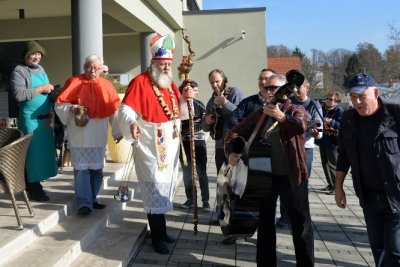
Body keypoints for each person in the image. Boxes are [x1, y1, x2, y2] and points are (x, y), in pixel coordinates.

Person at [225, 73, 314, 266]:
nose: (269, 91)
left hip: (293, 176)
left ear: (285, 91)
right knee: (265, 225)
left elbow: (300, 126)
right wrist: (231, 152)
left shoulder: (296, 109)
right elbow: (233, 133)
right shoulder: (259, 114)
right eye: (266, 88)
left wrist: (282, 118)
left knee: (301, 224)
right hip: (264, 178)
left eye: (273, 88)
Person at [118, 34, 194, 255]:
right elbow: (126, 109)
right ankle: (156, 237)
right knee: (153, 185)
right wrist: (131, 122)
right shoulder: (139, 82)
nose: (165, 67)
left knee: (163, 187)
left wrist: (185, 98)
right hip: (150, 143)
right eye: (161, 63)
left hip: (169, 143)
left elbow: (178, 112)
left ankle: (161, 231)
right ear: (152, 62)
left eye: (168, 64)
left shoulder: (170, 84)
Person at [335, 73, 400, 266]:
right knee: (378, 248)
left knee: (395, 250)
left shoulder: (395, 114)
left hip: (396, 196)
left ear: (376, 93)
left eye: (362, 96)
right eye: (353, 97)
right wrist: (338, 187)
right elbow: (344, 155)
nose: (357, 102)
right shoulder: (348, 118)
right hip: (368, 197)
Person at [55, 54, 121, 216]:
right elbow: (59, 104)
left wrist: (117, 131)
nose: (92, 70)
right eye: (89, 67)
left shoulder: (106, 85)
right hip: (79, 134)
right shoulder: (73, 82)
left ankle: (92, 198)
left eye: (96, 68)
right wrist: (70, 108)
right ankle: (84, 203)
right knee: (81, 170)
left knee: (97, 170)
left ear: (101, 69)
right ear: (84, 67)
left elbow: (114, 111)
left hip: (98, 134)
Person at [10, 40, 57, 201]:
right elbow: (19, 95)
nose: (36, 57)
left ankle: (37, 184)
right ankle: (32, 187)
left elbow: (45, 95)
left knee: (43, 154)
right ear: (25, 56)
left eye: (38, 54)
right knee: (32, 154)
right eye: (32, 54)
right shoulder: (19, 71)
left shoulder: (41, 70)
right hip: (29, 118)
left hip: (44, 120)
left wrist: (50, 113)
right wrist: (42, 88)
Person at [204, 69, 244, 174]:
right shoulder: (211, 101)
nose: (214, 84)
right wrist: (207, 122)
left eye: (217, 81)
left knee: (236, 181)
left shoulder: (235, 92)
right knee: (222, 180)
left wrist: (226, 102)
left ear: (224, 80)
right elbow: (205, 128)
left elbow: (240, 116)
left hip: (235, 144)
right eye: (212, 82)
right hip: (220, 146)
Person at [178, 80, 211, 211]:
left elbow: (206, 121)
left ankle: (206, 201)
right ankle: (191, 199)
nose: (196, 92)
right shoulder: (178, 105)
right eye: (193, 90)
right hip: (184, 143)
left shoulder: (199, 105)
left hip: (198, 142)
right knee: (187, 172)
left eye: (196, 90)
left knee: (201, 171)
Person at [314, 91, 344, 195]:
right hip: (323, 140)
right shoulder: (323, 109)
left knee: (333, 165)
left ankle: (337, 187)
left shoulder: (340, 111)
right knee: (325, 164)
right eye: (327, 98)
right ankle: (330, 184)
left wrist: (331, 122)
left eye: (330, 99)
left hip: (333, 142)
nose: (327, 100)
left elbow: (343, 125)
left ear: (337, 101)